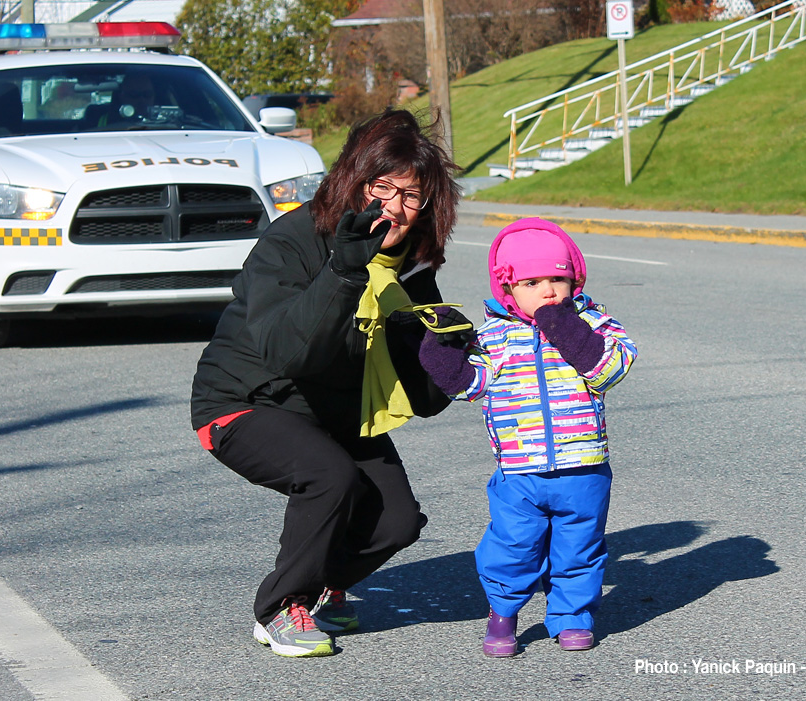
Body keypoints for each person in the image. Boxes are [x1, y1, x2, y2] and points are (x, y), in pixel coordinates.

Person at [190, 109, 465, 658]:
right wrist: (342, 273)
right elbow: (288, 352)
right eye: (382, 187)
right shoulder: (293, 240)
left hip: (335, 409)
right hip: (246, 401)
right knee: (330, 477)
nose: (395, 207)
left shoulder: (411, 267)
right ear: (353, 181)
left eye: (413, 196)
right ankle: (279, 608)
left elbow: (424, 393)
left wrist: (457, 355)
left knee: (398, 521)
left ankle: (319, 587)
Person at [417, 217, 637, 656]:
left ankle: (573, 616)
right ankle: (503, 614)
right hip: (520, 471)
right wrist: (439, 347)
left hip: (584, 468)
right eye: (532, 282)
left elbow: (610, 368)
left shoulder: (594, 323)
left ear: (575, 278)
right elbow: (469, 385)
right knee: (512, 547)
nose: (549, 291)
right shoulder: (495, 336)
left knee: (580, 547)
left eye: (559, 279)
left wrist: (564, 327)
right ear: (507, 289)